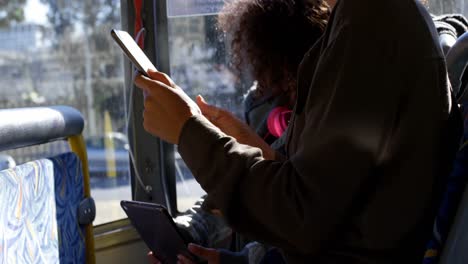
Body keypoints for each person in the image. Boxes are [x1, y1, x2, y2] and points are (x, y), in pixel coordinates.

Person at [136, 0, 463, 263]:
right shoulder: (358, 21)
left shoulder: (373, 19)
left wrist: (188, 131)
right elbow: (326, 195)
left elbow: (301, 218)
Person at [151, 0, 330, 263]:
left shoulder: (324, 115)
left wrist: (235, 260)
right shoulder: (259, 102)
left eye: (279, 75)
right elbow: (229, 190)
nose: (264, 84)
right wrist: (186, 233)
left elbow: (288, 208)